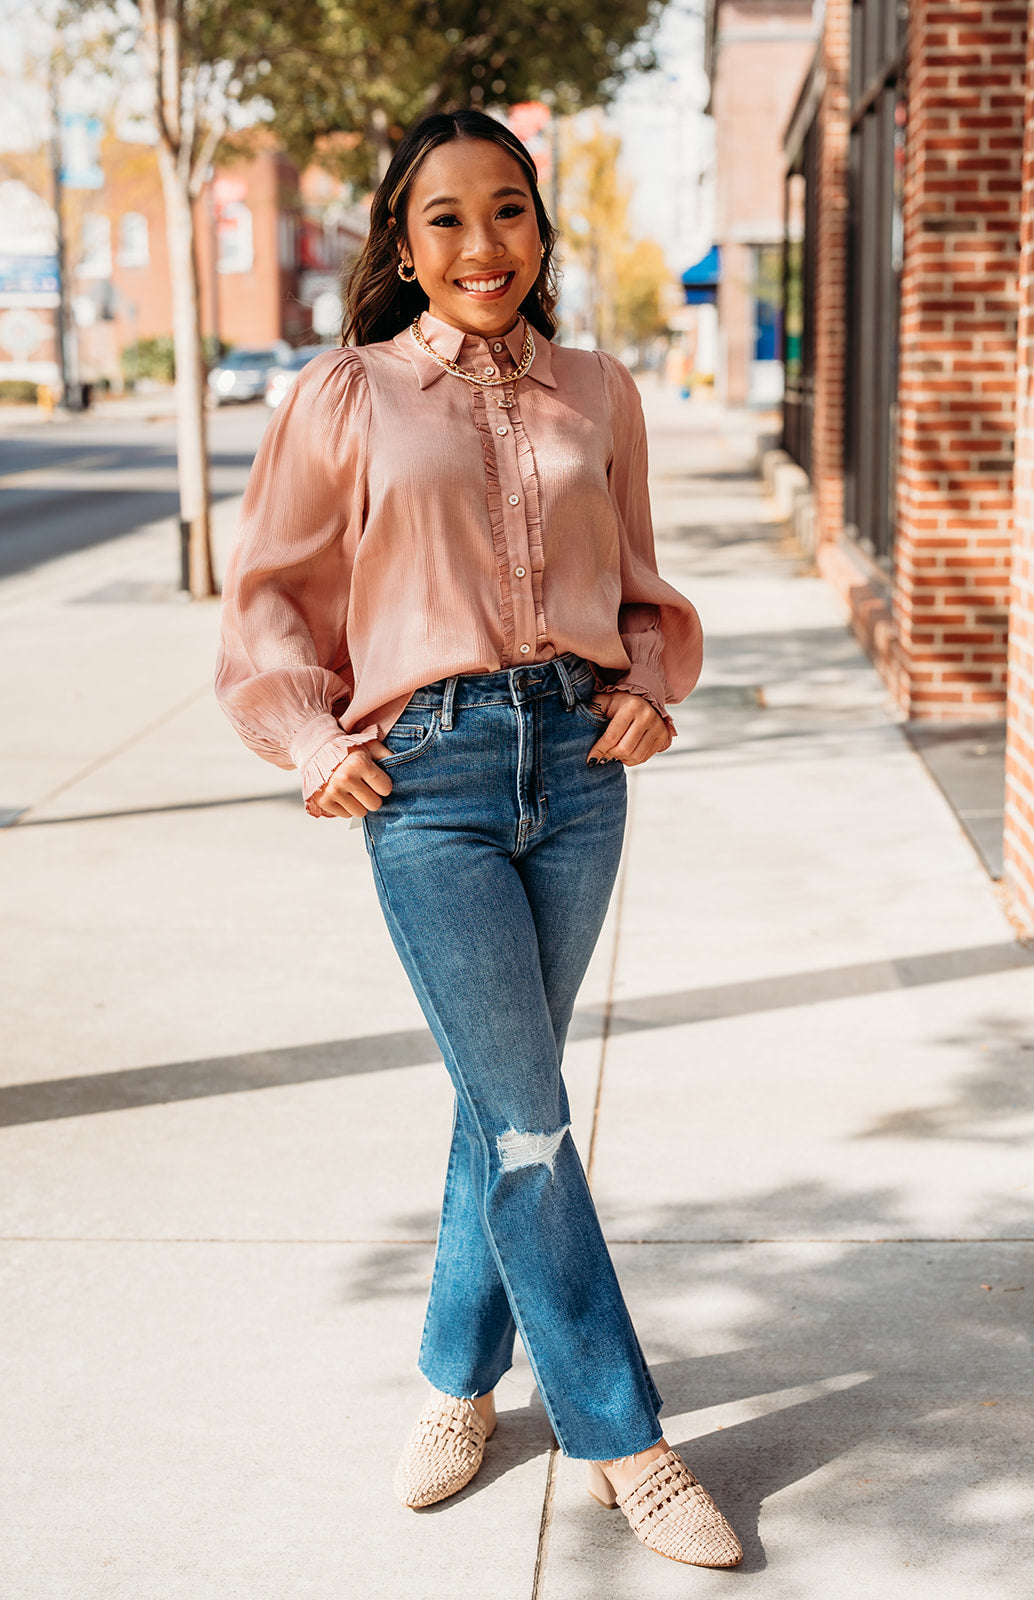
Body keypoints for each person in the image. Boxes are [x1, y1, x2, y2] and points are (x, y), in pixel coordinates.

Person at [215, 108, 741, 1571]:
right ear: (400, 239)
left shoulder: (597, 392)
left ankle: (455, 1382)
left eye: (505, 211)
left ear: (540, 231)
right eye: (444, 217)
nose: (479, 244)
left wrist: (646, 689)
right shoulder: (345, 395)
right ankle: (620, 1435)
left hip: (576, 772)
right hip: (427, 785)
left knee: (496, 1102)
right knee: (522, 1117)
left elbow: (637, 581)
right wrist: (312, 742)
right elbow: (270, 594)